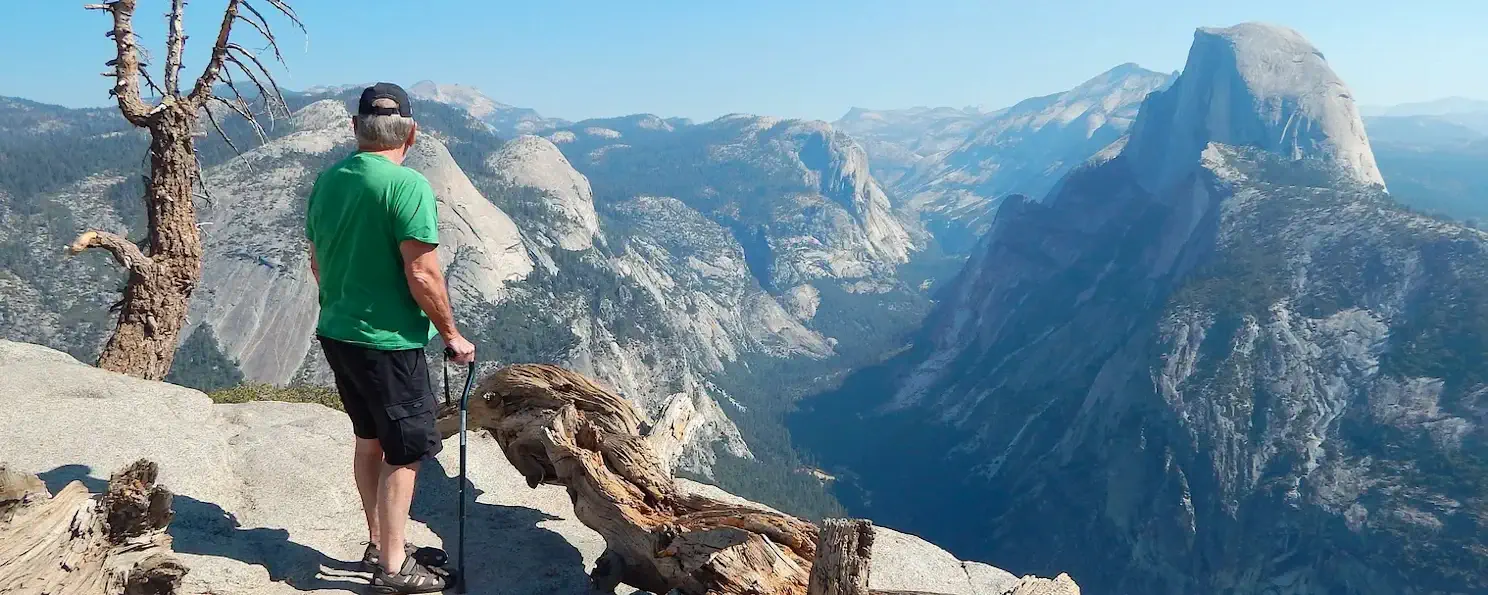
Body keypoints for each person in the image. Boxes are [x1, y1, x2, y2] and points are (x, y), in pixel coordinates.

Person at [305, 82, 476, 593]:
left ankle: (381, 542)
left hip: (338, 332)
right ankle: (394, 570)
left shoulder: (329, 180)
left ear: (357, 128)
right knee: (404, 451)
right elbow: (422, 273)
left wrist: (348, 301)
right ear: (412, 132)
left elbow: (317, 262)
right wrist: (452, 335)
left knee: (368, 440)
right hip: (388, 342)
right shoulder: (408, 186)